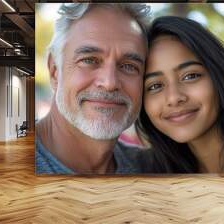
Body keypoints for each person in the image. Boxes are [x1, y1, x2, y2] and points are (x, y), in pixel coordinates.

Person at [35, 3, 150, 174]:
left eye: (129, 66)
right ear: (54, 71)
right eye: (89, 60)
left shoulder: (149, 167)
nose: (110, 83)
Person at [136, 16, 224, 174]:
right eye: (155, 85)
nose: (174, 98)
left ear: (219, 75)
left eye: (190, 76)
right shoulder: (146, 173)